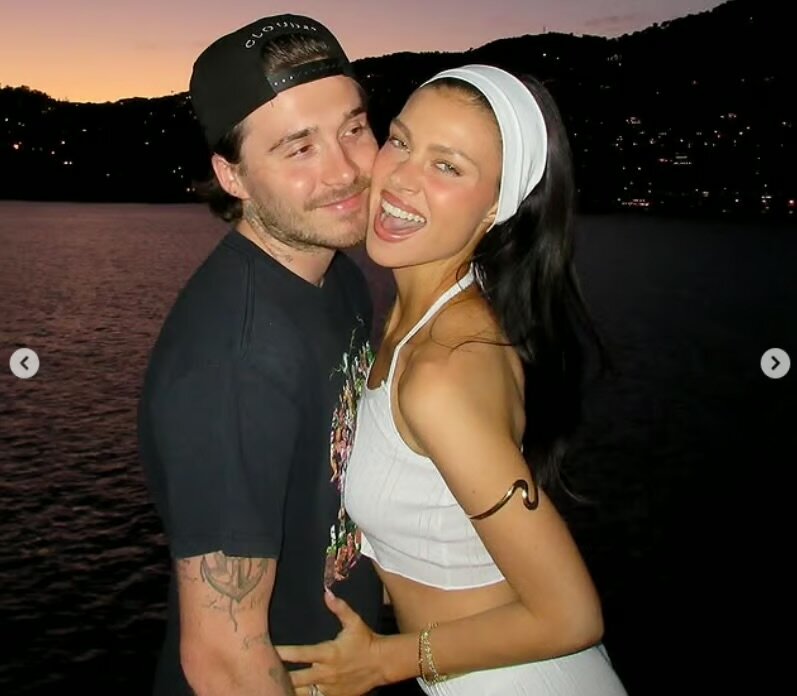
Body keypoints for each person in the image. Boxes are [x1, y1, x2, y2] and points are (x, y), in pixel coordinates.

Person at [275, 64, 628, 695]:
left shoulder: (442, 373)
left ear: (497, 206)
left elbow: (571, 615)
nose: (401, 178)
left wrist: (383, 662)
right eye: (401, 141)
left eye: (447, 166)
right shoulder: (425, 313)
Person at [137, 14, 384, 696]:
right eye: (298, 149)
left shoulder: (338, 276)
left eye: (354, 129)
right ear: (233, 175)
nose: (346, 171)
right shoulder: (235, 364)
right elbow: (223, 659)